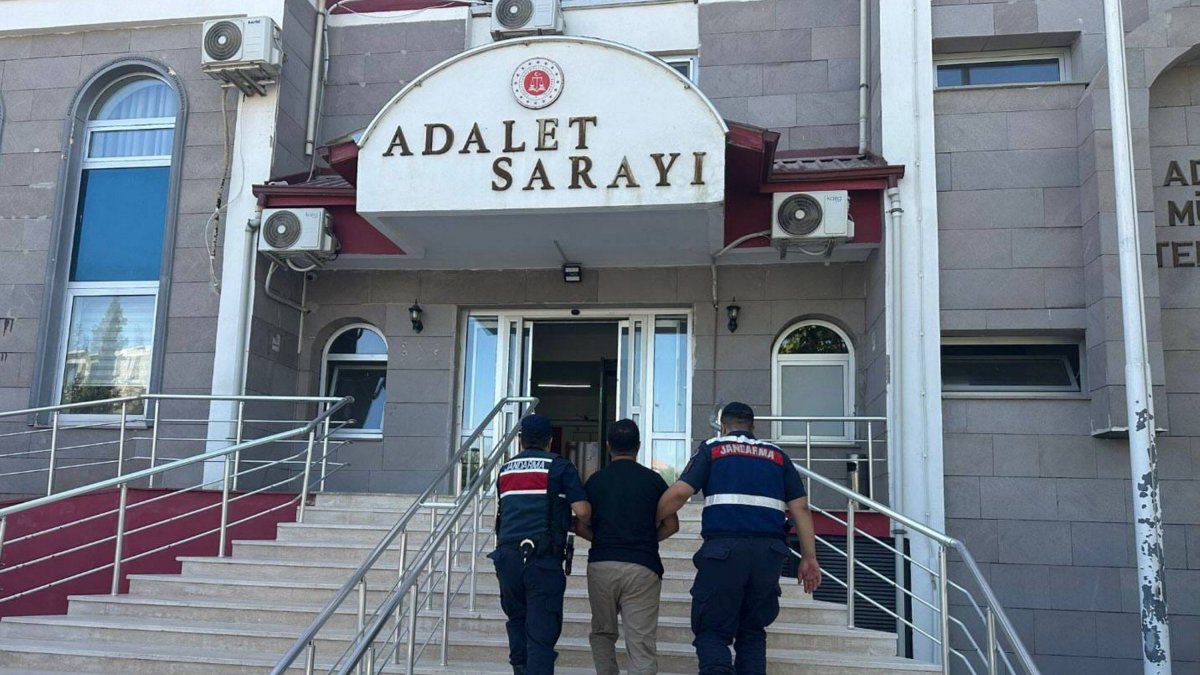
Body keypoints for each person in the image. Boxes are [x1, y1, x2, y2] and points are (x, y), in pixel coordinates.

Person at [655, 402, 821, 675]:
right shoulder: (778, 456)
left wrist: (653, 522)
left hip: (724, 553)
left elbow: (679, 494)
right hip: (769, 554)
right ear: (753, 426)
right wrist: (809, 558)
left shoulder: (714, 448)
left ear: (723, 425)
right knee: (752, 632)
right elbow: (800, 508)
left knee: (712, 631)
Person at [575, 419, 679, 675]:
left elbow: (580, 525)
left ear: (609, 446)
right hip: (643, 567)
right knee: (640, 641)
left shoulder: (595, 481)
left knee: (602, 633)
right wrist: (645, 540)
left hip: (602, 565)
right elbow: (672, 525)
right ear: (639, 446)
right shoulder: (654, 481)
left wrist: (601, 540)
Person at [489, 414, 591, 675]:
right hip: (542, 560)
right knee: (541, 633)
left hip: (508, 558)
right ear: (550, 440)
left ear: (521, 440)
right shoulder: (559, 467)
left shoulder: (506, 469)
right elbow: (582, 511)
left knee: (517, 622)